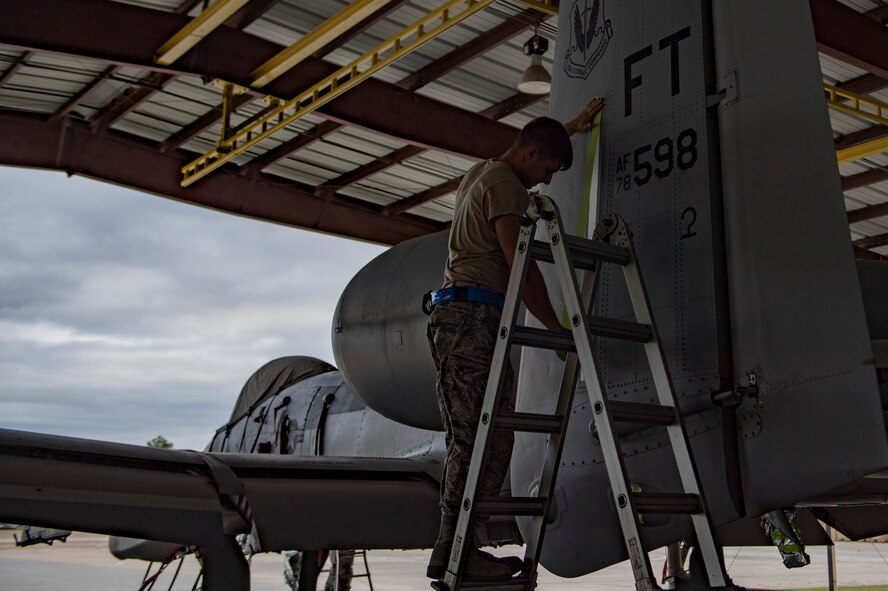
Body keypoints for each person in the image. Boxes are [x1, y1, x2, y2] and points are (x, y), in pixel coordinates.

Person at [424, 98, 605, 582]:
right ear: (529, 156)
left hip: (472, 317)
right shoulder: (506, 187)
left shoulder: (483, 173)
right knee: (477, 437)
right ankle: (457, 549)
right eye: (547, 168)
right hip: (471, 318)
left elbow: (534, 140)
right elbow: (521, 269)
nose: (546, 181)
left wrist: (569, 128)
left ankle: (457, 546)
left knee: (488, 433)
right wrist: (559, 330)